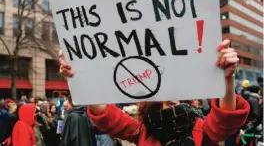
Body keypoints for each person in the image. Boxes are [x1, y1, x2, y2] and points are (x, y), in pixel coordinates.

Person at [59, 39, 250, 146]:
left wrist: (227, 79)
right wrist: (79, 75)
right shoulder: (143, 131)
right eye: (165, 99)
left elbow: (225, 119)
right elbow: (108, 117)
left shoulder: (201, 130)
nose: (171, 100)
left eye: (176, 96)